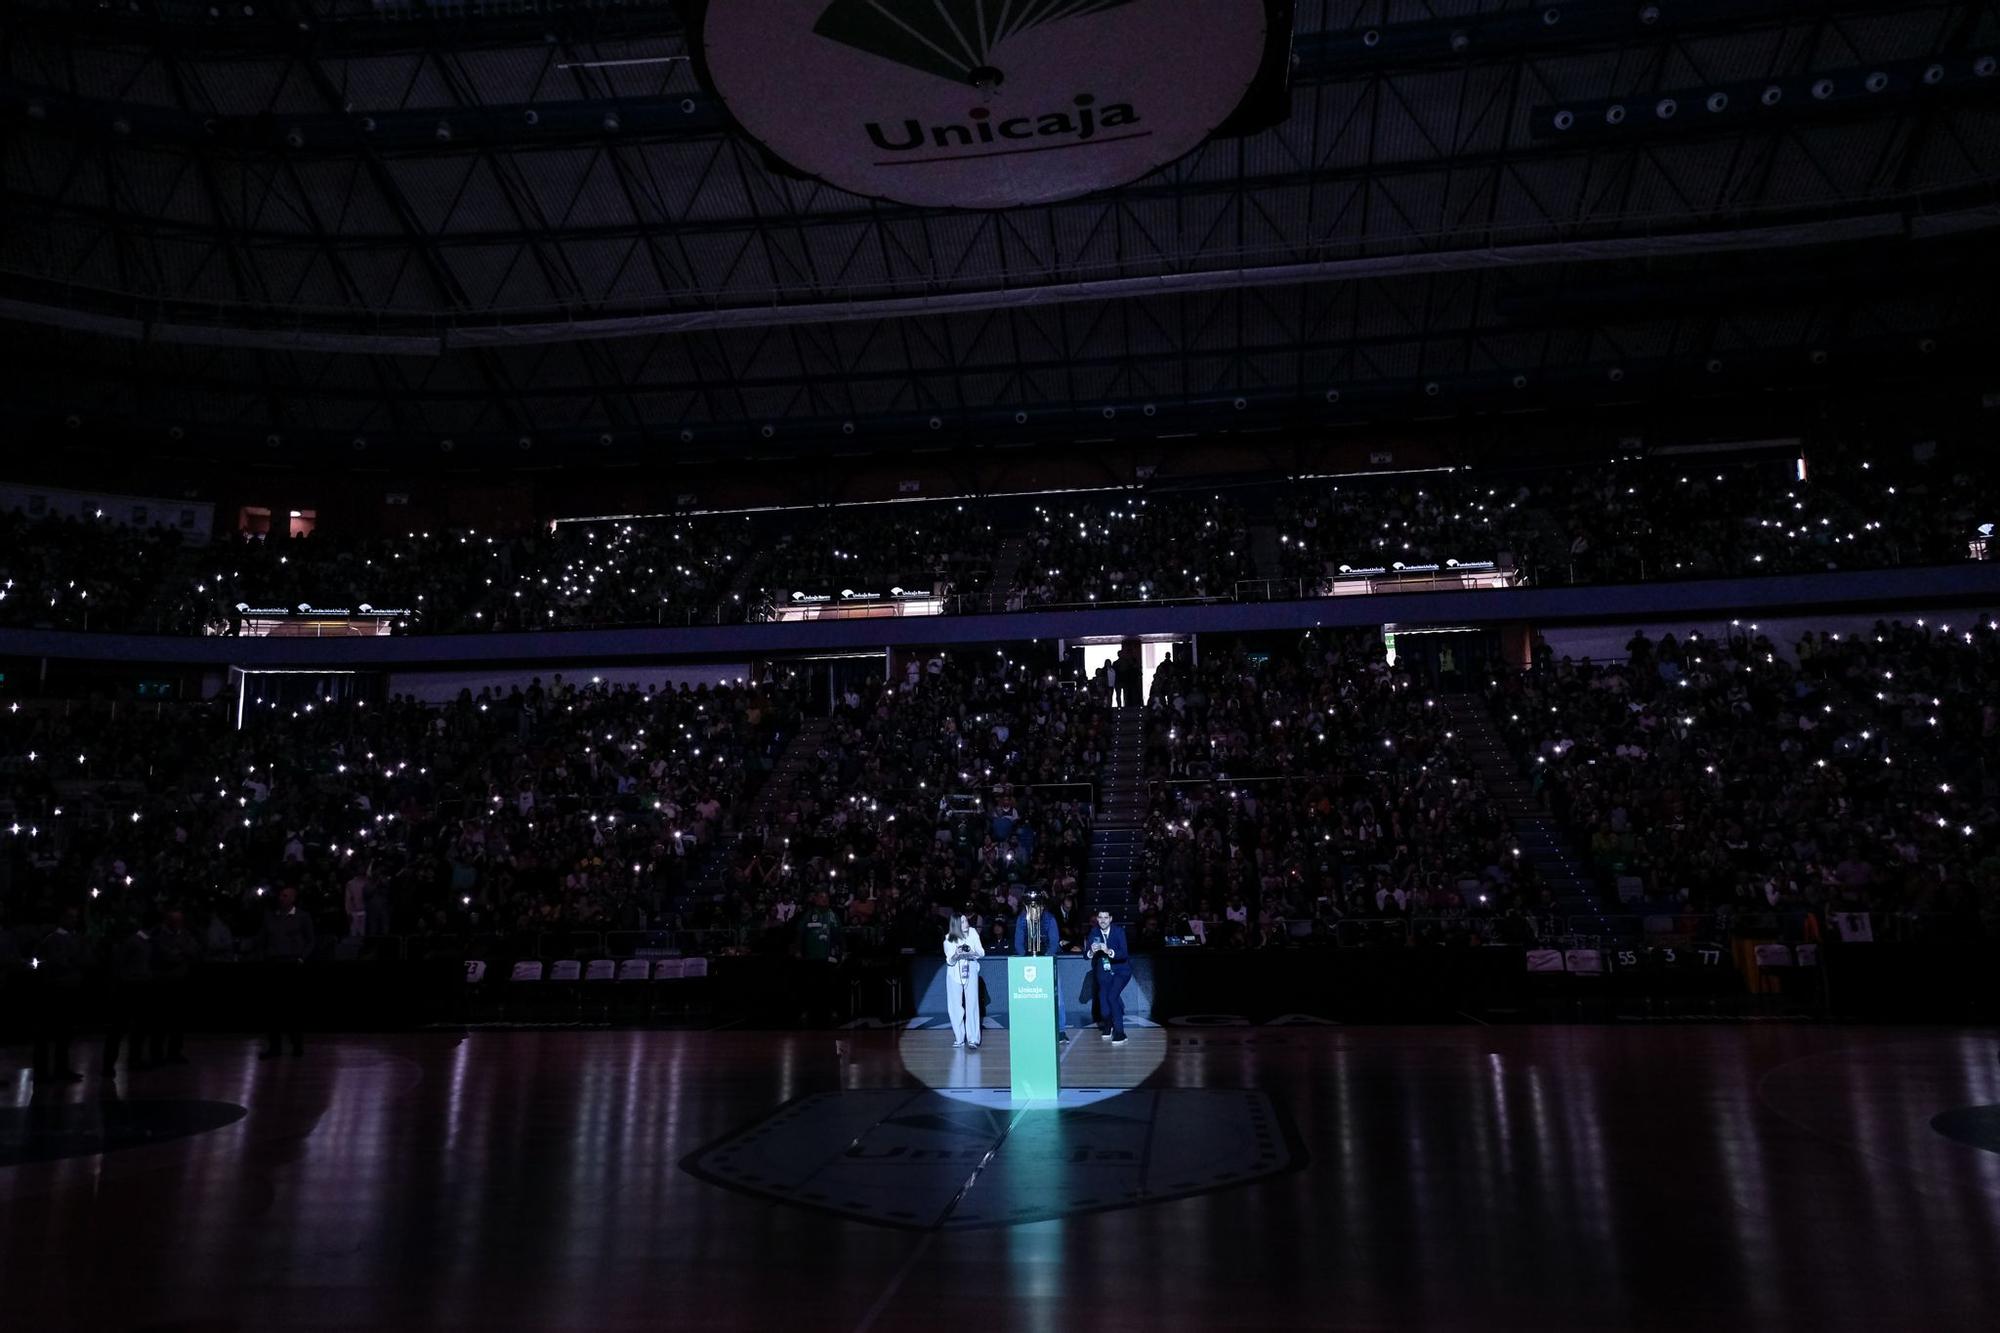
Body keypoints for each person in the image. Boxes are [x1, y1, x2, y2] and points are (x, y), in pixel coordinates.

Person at [258, 885, 315, 1058]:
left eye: (284, 895)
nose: (280, 898)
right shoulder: (270, 917)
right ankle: (275, 1047)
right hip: (274, 965)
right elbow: (262, 938)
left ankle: (297, 1045)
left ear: (292, 898)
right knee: (273, 1009)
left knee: (293, 1008)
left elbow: (311, 940)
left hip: (292, 966)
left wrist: (301, 958)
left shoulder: (303, 917)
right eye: (280, 895)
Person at [31, 907, 86, 1084]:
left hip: (67, 989)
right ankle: (44, 1072)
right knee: (49, 1032)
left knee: (64, 1032)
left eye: (75, 918)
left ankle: (59, 1069)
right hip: (55, 991)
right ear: (62, 918)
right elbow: (58, 962)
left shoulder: (72, 938)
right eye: (70, 917)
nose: (74, 921)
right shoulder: (54, 939)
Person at [1011, 892, 1069, 1041]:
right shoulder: (1022, 919)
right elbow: (1018, 942)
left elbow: (1054, 941)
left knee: (1058, 997)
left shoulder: (1049, 919)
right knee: (1028, 994)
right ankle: (1030, 1028)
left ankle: (1061, 1030)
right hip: (1028, 962)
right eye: (1030, 905)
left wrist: (1045, 960)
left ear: (1042, 905)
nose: (1034, 908)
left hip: (1047, 960)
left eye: (1037, 904)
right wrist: (1026, 958)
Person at [101, 918, 155, 1077]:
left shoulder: (127, 943)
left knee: (124, 1029)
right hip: (129, 988)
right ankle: (123, 1062)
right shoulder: (135, 943)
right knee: (124, 1028)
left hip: (129, 987)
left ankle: (113, 1064)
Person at [148, 909, 199, 1066]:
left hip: (180, 983)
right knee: (161, 1020)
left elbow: (195, 950)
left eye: (180, 921)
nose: (179, 924)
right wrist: (182, 952)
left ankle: (174, 1052)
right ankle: (157, 1054)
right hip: (163, 984)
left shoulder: (184, 934)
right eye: (176, 921)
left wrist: (180, 951)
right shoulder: (159, 936)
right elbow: (166, 956)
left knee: (178, 1020)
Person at [1084, 908, 1132, 1044]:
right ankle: (1108, 1024)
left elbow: (1124, 953)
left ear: (1110, 919)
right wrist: (1091, 952)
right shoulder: (1094, 932)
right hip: (1104, 971)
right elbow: (1085, 955)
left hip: (1121, 970)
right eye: (1100, 918)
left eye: (1106, 918)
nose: (1103, 920)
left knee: (1112, 997)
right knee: (1104, 1008)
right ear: (1097, 919)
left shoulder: (1119, 931)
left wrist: (1109, 951)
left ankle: (1120, 1033)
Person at [942, 912, 985, 1048]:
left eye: (966, 921)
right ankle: (959, 1037)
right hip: (954, 973)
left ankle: (973, 1039)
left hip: (971, 969)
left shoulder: (973, 933)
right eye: (963, 922)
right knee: (955, 1006)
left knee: (972, 1003)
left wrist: (970, 952)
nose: (967, 924)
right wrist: (957, 954)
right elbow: (949, 960)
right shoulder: (948, 939)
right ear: (956, 925)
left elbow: (981, 953)